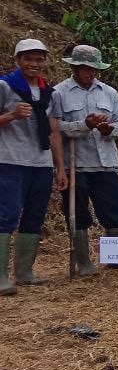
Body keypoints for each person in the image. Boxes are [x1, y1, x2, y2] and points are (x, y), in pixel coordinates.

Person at [0, 39, 68, 293]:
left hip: (41, 162)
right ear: (17, 60)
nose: (34, 64)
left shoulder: (50, 93)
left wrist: (59, 168)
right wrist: (11, 115)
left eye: (39, 59)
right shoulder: (6, 87)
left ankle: (24, 271)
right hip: (9, 160)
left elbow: (54, 133)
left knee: (34, 215)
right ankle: (1, 276)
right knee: (6, 215)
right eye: (29, 59)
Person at [52, 45, 118, 276]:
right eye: (85, 68)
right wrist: (84, 125)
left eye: (94, 68)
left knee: (113, 210)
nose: (90, 73)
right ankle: (84, 263)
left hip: (106, 162)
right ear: (75, 67)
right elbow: (56, 127)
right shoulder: (59, 93)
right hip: (76, 163)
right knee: (77, 212)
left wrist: (107, 129)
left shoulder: (109, 92)